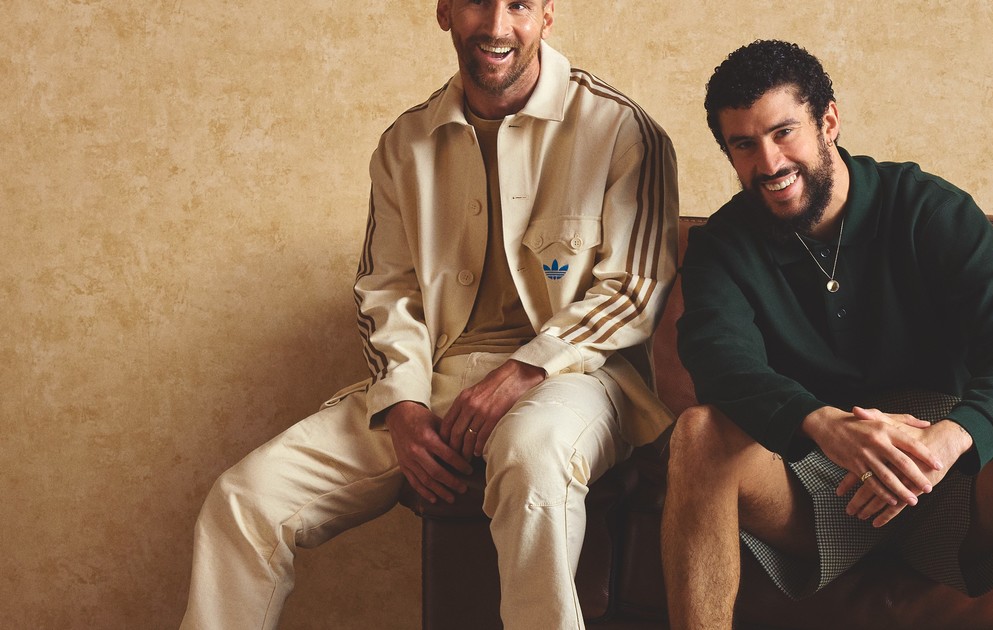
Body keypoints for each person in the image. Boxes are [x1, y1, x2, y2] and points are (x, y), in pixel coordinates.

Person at [180, 2, 678, 628]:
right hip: (436, 378)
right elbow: (386, 291)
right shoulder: (404, 143)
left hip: (574, 378)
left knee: (532, 457)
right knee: (245, 498)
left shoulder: (621, 128)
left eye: (519, 4)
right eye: (475, 1)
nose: (496, 25)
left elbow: (633, 289)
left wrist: (522, 372)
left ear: (548, 13)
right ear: (444, 11)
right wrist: (403, 404)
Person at [660, 40, 993, 629]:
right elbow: (717, 361)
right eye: (744, 145)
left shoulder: (930, 208)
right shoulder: (722, 245)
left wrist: (948, 441)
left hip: (947, 474)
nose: (769, 163)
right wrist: (824, 425)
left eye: (784, 132)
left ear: (828, 122)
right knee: (698, 433)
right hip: (813, 477)